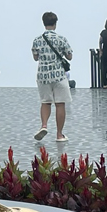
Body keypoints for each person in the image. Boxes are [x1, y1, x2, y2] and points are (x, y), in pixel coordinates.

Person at [31, 11, 73, 142]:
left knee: (45, 102)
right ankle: (59, 134)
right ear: (55, 24)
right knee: (60, 104)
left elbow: (35, 57)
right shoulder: (61, 39)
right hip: (59, 75)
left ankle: (44, 126)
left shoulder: (37, 40)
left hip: (43, 76)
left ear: (44, 23)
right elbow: (69, 56)